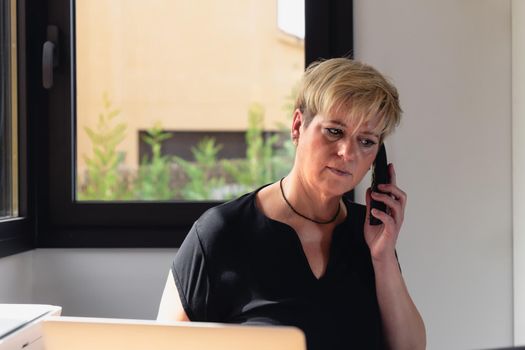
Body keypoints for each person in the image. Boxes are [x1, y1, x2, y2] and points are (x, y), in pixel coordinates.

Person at [157, 57, 426, 349]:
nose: (348, 152)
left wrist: (383, 257)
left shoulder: (372, 238)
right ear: (298, 126)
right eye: (334, 131)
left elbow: (410, 348)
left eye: (366, 141)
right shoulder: (222, 232)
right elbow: (164, 345)